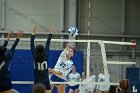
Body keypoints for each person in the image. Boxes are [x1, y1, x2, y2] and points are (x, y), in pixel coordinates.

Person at [30, 26, 54, 93]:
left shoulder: (35, 56)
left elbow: (32, 46)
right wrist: (50, 33)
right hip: (46, 80)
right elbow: (47, 45)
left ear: (36, 51)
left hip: (37, 81)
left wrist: (33, 34)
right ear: (43, 50)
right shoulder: (46, 55)